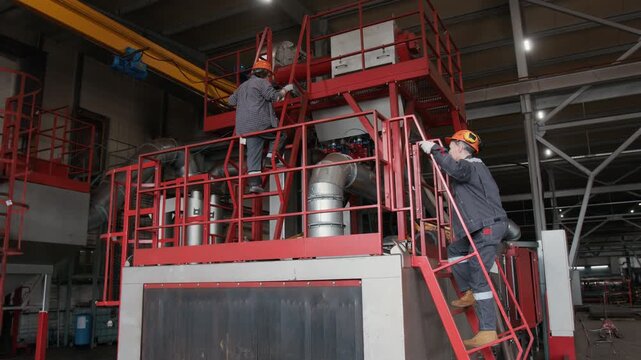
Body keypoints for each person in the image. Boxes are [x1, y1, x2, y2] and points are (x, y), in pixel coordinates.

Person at [419, 129, 507, 349]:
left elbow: (454, 168)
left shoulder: (470, 166)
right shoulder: (475, 169)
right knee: (455, 251)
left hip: (487, 227)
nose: (449, 151)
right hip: (478, 227)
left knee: (479, 275)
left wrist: (435, 150)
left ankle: (487, 330)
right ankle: (469, 292)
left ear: (460, 147)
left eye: (450, 148)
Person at [228, 59, 294, 193]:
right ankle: (271, 157)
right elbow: (275, 97)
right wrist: (285, 89)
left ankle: (254, 185)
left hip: (244, 128)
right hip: (260, 123)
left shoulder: (242, 86)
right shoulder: (262, 83)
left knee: (253, 154)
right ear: (266, 74)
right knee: (280, 134)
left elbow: (230, 101)